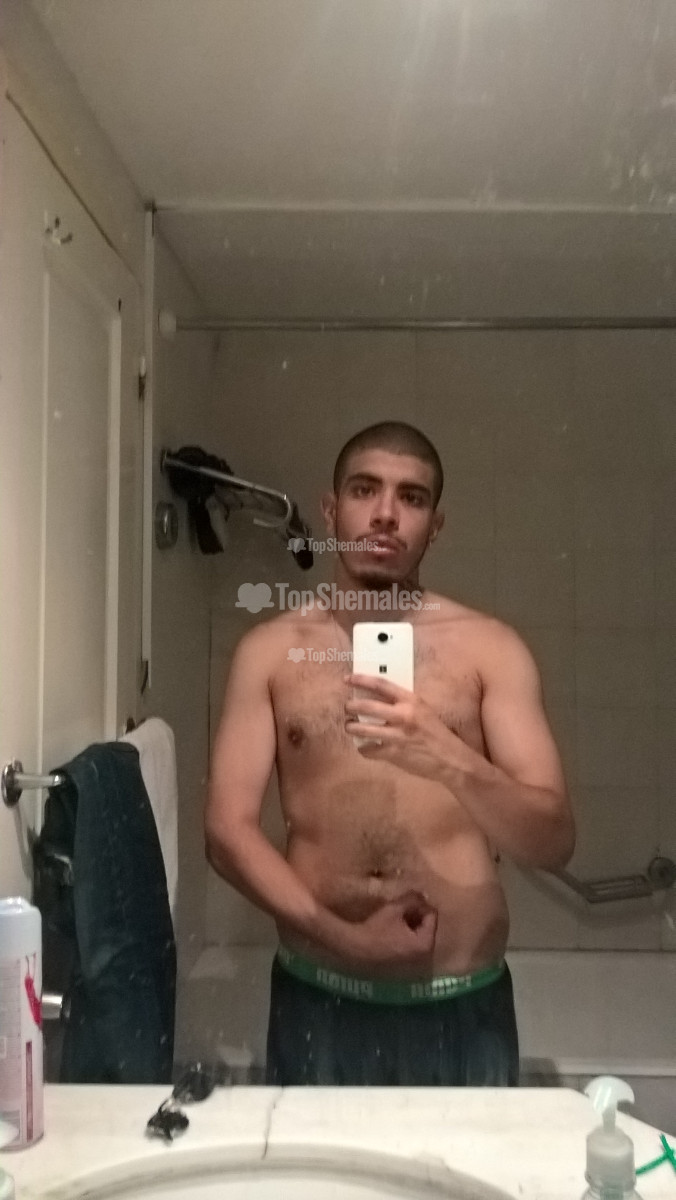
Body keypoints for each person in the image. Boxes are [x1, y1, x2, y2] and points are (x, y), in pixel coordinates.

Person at [205, 421, 575, 1086]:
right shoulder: (270, 652)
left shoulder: (491, 650)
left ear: (436, 525)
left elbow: (551, 843)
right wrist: (346, 939)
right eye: (364, 489)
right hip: (319, 996)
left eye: (412, 497)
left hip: (461, 1004)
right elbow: (226, 834)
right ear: (330, 510)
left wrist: (446, 756)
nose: (385, 513)